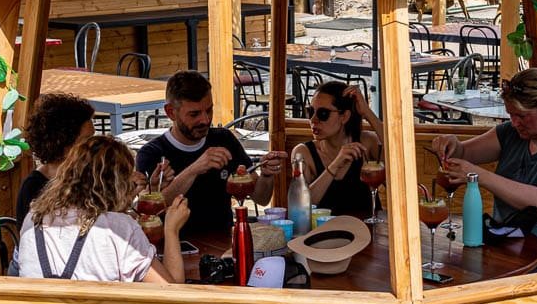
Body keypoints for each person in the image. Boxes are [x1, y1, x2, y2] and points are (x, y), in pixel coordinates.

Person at [432, 68, 537, 270]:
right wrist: (453, 144)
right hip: (509, 246)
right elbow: (463, 153)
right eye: (510, 114)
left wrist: (478, 175)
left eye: (522, 116)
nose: (515, 122)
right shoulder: (510, 133)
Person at [17, 134, 188, 284]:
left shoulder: (33, 218)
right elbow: (171, 290)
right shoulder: (121, 228)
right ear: (118, 184)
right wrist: (171, 230)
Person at [135, 70, 286, 234]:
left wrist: (266, 175)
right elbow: (152, 212)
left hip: (224, 246)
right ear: (171, 112)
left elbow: (261, 198)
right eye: (194, 114)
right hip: (175, 249)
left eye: (209, 110)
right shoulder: (152, 153)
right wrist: (195, 168)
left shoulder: (224, 139)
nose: (205, 120)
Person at [290, 81, 384, 217]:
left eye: (323, 114)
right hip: (324, 233)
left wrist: (367, 112)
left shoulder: (366, 143)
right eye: (310, 111)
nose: (313, 120)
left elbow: (397, 155)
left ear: (344, 116)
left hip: (367, 232)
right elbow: (300, 207)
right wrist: (335, 165)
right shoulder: (303, 153)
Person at [16, 93, 95, 228]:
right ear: (63, 143)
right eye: (86, 140)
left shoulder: (86, 173)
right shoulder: (34, 188)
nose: (93, 145)